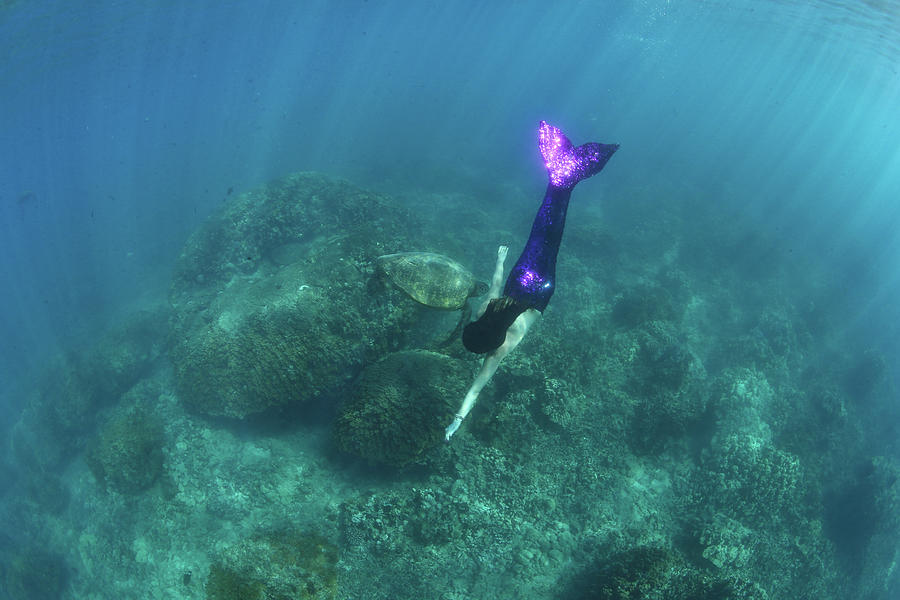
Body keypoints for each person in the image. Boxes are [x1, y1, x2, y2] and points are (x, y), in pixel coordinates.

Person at [445, 121, 618, 441]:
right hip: (521, 277)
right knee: (542, 231)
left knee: (555, 238)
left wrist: (457, 420)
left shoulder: (497, 352)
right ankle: (561, 177)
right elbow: (496, 287)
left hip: (541, 292)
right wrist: (499, 259)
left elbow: (475, 390)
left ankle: (566, 177)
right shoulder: (486, 311)